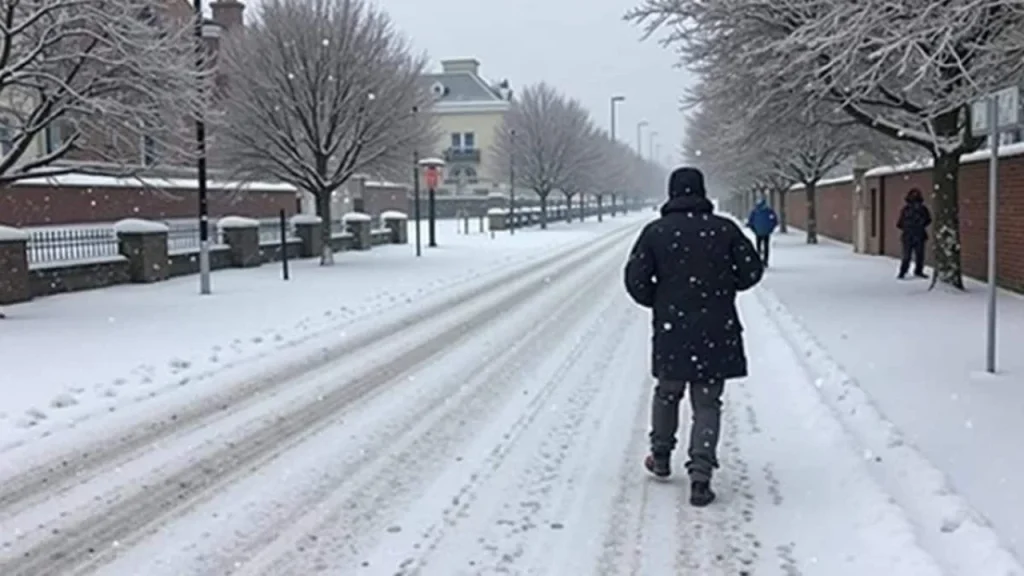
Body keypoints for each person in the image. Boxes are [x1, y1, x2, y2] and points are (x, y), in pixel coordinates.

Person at [623, 166, 764, 507]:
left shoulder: (656, 232)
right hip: (717, 328)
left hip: (673, 328)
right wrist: (724, 287)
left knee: (668, 393)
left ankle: (660, 456)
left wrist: (659, 299)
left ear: (672, 193)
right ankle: (700, 475)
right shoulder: (724, 230)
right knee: (707, 402)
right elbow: (751, 270)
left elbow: (635, 279)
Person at [896, 188, 932, 279]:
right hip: (917, 235)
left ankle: (904, 272)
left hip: (910, 235)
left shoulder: (906, 209)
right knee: (918, 255)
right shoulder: (922, 209)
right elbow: (928, 220)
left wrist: (907, 226)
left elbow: (899, 223)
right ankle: (916, 271)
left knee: (908, 255)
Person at [746, 197, 778, 266]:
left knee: (758, 246)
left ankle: (758, 259)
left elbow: (750, 221)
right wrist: (771, 229)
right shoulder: (769, 211)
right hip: (766, 232)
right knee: (766, 246)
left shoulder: (755, 211)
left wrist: (753, 229)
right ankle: (765, 261)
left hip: (758, 232)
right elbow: (774, 220)